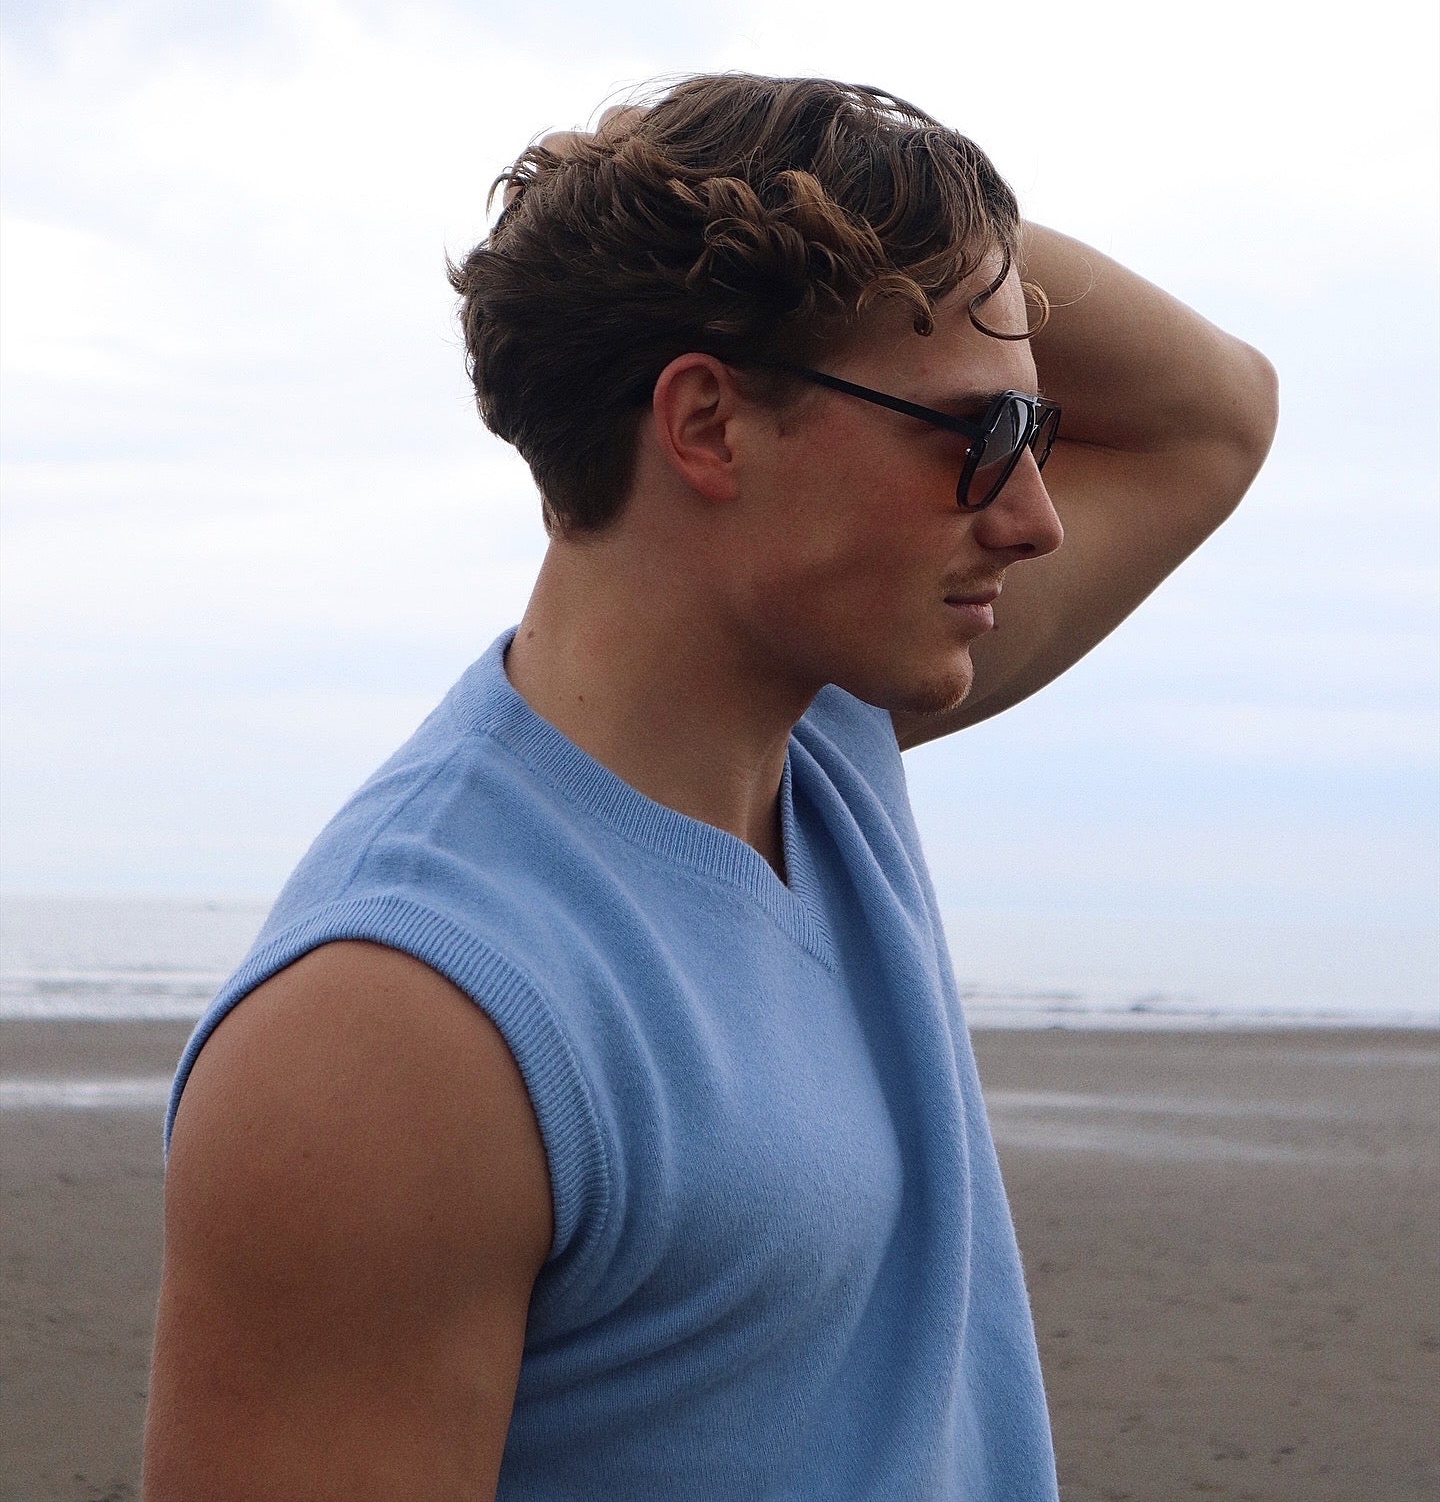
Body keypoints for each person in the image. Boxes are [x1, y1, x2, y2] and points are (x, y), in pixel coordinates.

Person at [143, 74, 1278, 1500]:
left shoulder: (828, 745)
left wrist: (819, 204)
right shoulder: (397, 1031)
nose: (1034, 514)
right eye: (979, 437)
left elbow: (1217, 415)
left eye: (1037, 438)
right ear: (707, 424)